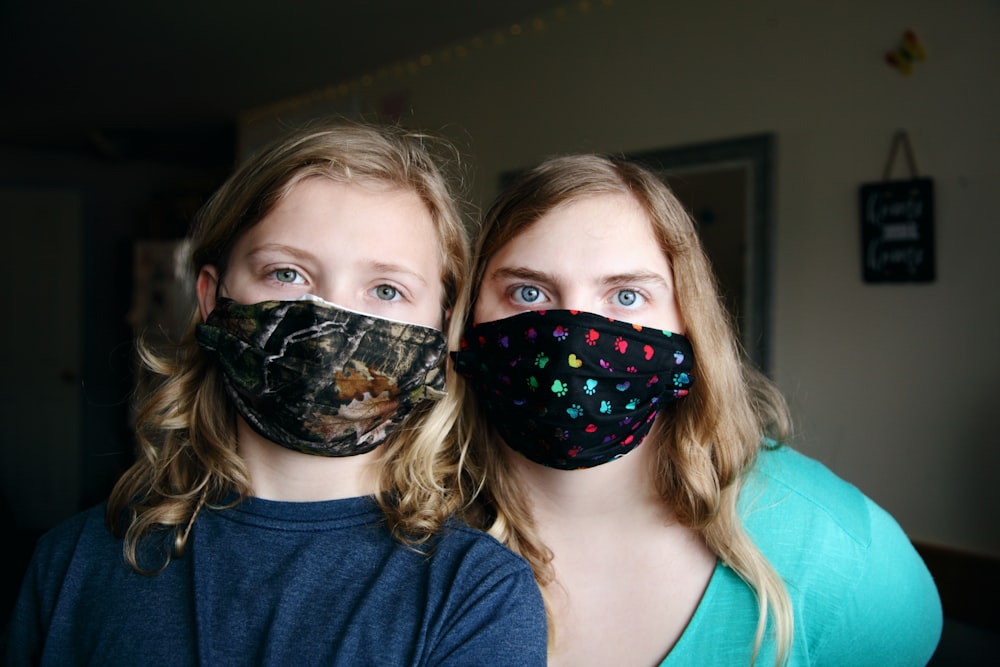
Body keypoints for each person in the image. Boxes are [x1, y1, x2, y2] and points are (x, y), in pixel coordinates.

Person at [6, 121, 547, 666]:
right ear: (212, 299)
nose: (331, 318)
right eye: (287, 273)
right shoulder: (72, 563)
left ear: (441, 327)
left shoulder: (476, 593)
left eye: (386, 289)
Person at [452, 154, 942, 666]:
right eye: (528, 291)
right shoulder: (408, 535)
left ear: (688, 325)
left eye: (626, 294)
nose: (573, 337)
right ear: (468, 319)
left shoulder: (840, 556)